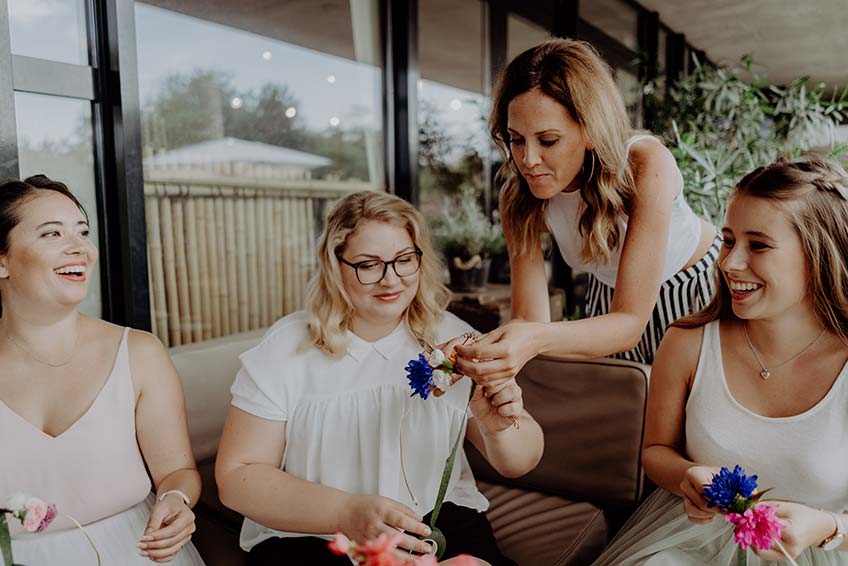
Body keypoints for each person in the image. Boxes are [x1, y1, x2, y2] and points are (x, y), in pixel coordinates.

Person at [215, 191, 544, 565]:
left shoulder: (454, 340)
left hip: (433, 523)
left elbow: (519, 461)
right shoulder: (285, 350)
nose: (391, 280)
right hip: (314, 534)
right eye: (369, 265)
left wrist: (500, 427)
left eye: (404, 260)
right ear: (335, 264)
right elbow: (237, 476)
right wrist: (347, 512)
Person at [593, 158, 848, 565]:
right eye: (728, 240)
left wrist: (828, 527)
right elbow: (657, 450)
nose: (729, 263)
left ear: (819, 254)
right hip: (688, 542)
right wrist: (686, 476)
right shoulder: (687, 341)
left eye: (758, 245)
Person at [453, 38, 719, 385]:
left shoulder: (645, 165)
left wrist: (531, 338)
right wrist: (476, 350)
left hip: (693, 290)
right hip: (610, 303)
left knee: (685, 425)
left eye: (548, 140)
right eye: (516, 139)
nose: (528, 161)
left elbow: (629, 324)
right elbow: (529, 319)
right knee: (624, 419)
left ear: (591, 130)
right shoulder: (517, 196)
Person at [0, 175, 204, 565]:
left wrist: (176, 501)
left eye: (83, 231)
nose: (80, 248)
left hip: (134, 552)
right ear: (2, 261)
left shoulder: (140, 354)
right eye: (52, 234)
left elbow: (178, 471)